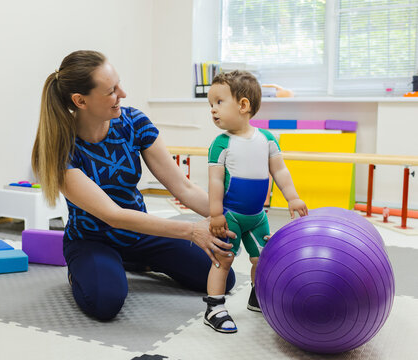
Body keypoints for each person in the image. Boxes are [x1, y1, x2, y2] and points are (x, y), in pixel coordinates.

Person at [31, 50, 237, 321]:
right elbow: (113, 216)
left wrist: (230, 216)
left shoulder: (134, 123)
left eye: (119, 84)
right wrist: (191, 231)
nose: (123, 94)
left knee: (224, 276)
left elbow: (183, 188)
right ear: (80, 101)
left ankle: (139, 260)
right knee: (104, 303)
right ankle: (80, 270)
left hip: (140, 233)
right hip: (93, 240)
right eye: (111, 91)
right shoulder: (62, 148)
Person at [202, 70, 308, 333]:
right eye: (210, 105)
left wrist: (292, 198)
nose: (213, 110)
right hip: (231, 216)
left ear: (243, 105)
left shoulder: (267, 139)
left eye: (218, 102)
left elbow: (280, 171)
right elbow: (215, 182)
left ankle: (257, 295)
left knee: (262, 259)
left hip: (258, 215)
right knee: (222, 259)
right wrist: (215, 214)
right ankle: (214, 307)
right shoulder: (220, 143)